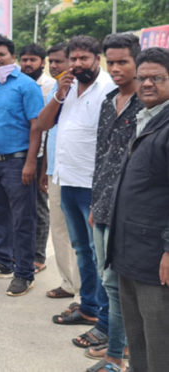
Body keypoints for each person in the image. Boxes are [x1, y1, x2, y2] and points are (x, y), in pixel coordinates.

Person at [35, 36, 114, 344]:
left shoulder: (107, 88)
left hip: (94, 185)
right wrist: (59, 94)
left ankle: (107, 321)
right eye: (74, 59)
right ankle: (89, 306)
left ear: (98, 59)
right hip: (67, 180)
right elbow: (43, 125)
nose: (78, 64)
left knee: (100, 255)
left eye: (85, 58)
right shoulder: (66, 89)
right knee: (82, 250)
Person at [108, 47, 169, 372]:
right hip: (130, 252)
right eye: (143, 78)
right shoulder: (146, 118)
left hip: (155, 261)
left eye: (156, 78)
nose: (147, 84)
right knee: (139, 340)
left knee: (161, 345)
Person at [84, 33, 142, 372]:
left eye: (123, 62)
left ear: (137, 62)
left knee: (122, 285)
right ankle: (117, 354)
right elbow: (103, 156)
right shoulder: (109, 101)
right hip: (103, 204)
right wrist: (96, 201)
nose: (116, 68)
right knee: (110, 283)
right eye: (112, 62)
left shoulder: (148, 104)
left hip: (130, 211)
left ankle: (117, 356)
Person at [0, 36, 44, 297]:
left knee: (23, 219)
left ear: (11, 56)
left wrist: (30, 163)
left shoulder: (27, 86)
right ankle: (2, 261)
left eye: (1, 55)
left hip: (17, 162)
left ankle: (24, 273)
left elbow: (37, 126)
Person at [43, 42, 81, 299]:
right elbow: (46, 131)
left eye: (59, 61)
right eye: (51, 62)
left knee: (82, 235)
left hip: (81, 172)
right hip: (55, 171)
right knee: (59, 229)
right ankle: (68, 283)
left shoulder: (90, 90)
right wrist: (43, 170)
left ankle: (85, 289)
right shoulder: (54, 93)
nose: (54, 66)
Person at [19, 43, 55, 274]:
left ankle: (39, 256)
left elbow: (47, 126)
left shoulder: (50, 86)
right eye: (24, 60)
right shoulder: (19, 84)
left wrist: (42, 164)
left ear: (42, 62)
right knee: (22, 207)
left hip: (42, 154)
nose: (28, 64)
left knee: (40, 207)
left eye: (33, 60)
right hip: (21, 152)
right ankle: (22, 252)